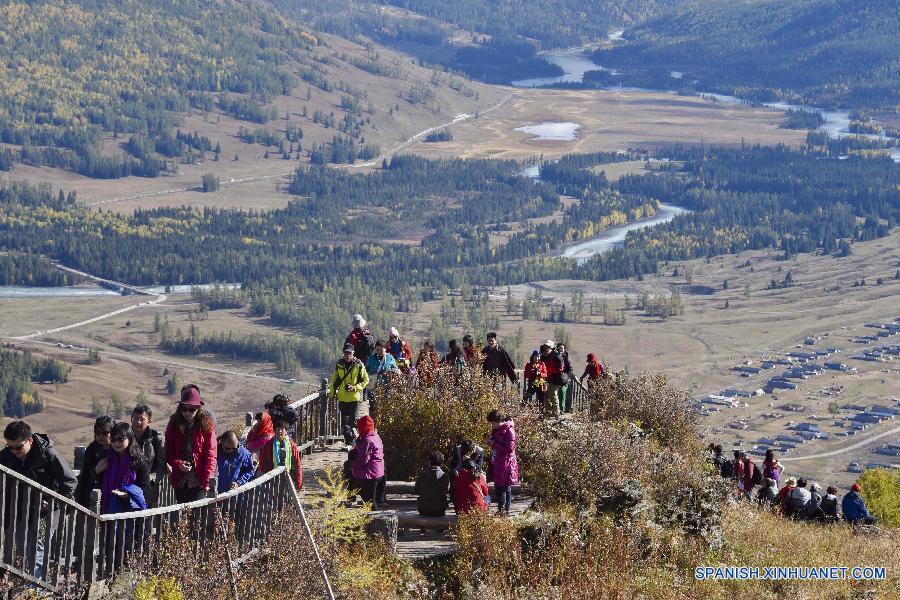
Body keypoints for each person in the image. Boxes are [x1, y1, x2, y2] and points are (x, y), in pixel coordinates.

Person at [1, 421, 77, 579]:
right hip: (20, 510)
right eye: (10, 447)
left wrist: (53, 503)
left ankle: (35, 590)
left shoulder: (47, 454)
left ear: (29, 440)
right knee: (22, 551)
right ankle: (26, 586)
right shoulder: (6, 456)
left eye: (18, 447)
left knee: (37, 549)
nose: (14, 451)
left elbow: (70, 482)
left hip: (46, 512)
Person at [165, 386, 217, 502]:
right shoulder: (174, 422)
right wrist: (178, 464)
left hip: (199, 478)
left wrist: (206, 481)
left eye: (191, 409)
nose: (187, 412)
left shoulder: (207, 424)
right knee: (182, 513)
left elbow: (211, 454)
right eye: (184, 408)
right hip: (180, 479)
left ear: (198, 408)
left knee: (196, 515)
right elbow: (168, 450)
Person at [97, 422, 150, 514]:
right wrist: (96, 471)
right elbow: (98, 482)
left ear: (129, 438)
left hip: (131, 511)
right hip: (108, 506)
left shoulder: (138, 461)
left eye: (120, 439)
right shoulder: (107, 458)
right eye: (113, 439)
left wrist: (128, 494)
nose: (116, 443)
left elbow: (145, 488)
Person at [330, 344, 369, 445]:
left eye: (349, 353)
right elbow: (334, 379)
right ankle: (349, 442)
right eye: (346, 353)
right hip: (342, 397)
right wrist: (331, 394)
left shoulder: (359, 364)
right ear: (343, 354)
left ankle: (353, 443)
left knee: (353, 422)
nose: (348, 355)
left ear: (353, 353)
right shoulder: (339, 364)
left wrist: (355, 387)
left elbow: (365, 380)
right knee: (344, 423)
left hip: (354, 397)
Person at [75, 416, 114, 507]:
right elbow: (85, 477)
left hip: (113, 494)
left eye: (104, 433)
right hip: (93, 495)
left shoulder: (118, 450)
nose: (100, 436)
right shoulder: (91, 450)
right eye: (98, 433)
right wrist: (96, 471)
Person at [487, 410, 519, 516]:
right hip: (498, 462)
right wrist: (491, 441)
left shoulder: (509, 431)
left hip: (506, 463)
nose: (492, 425)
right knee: (503, 487)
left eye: (492, 423)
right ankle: (505, 509)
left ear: (498, 421)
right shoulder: (498, 430)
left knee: (502, 487)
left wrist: (494, 444)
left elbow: (509, 449)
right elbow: (497, 442)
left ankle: (503, 510)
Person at [257, 417, 302, 490]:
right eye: (278, 429)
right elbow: (263, 462)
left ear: (286, 431)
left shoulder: (291, 445)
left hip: (288, 476)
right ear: (274, 430)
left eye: (282, 429)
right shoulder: (269, 445)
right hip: (271, 478)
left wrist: (299, 481)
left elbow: (297, 464)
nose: (280, 431)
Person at [351, 416, 386, 508]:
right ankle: (379, 502)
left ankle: (352, 498)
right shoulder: (375, 436)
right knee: (370, 500)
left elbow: (363, 459)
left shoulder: (367, 440)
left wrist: (352, 466)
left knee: (370, 503)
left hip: (369, 474)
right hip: (379, 471)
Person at [414, 451, 450, 517]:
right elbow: (447, 490)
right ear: (441, 463)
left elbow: (416, 491)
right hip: (440, 510)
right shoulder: (445, 475)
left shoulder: (422, 474)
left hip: (423, 509)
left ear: (429, 461)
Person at [540, 343, 566, 417]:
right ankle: (549, 411)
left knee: (553, 395)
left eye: (547, 349)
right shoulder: (545, 357)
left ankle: (556, 413)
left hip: (556, 379)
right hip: (548, 379)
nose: (545, 351)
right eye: (544, 350)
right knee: (546, 396)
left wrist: (548, 370)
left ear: (550, 348)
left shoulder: (557, 356)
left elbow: (560, 368)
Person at [556, 343, 575, 412]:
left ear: (564, 349)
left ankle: (562, 408)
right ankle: (557, 408)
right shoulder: (555, 356)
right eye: (559, 348)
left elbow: (570, 368)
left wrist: (567, 376)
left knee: (562, 391)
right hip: (556, 377)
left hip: (564, 377)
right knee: (554, 393)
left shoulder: (566, 357)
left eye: (562, 348)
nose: (561, 349)